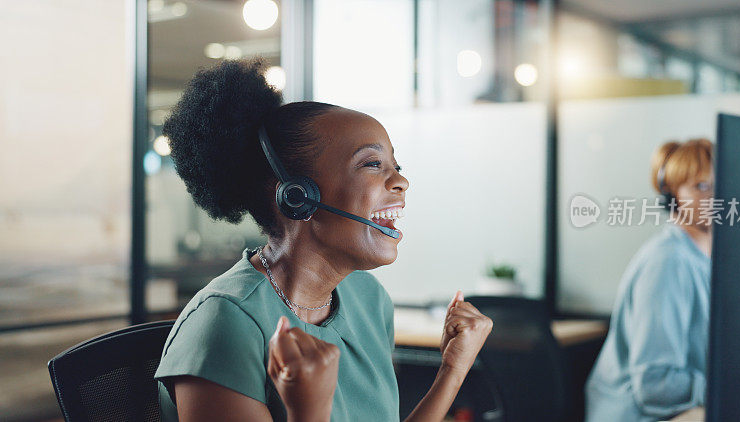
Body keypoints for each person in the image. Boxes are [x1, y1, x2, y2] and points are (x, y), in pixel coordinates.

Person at [153, 57, 493, 422]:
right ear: (296, 197)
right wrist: (308, 411)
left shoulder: (369, 299)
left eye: (397, 167)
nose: (400, 182)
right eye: (371, 164)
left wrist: (453, 369)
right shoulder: (224, 323)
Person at [585, 139, 714, 421]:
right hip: (634, 414)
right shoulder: (669, 261)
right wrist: (728, 388)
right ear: (673, 196)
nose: (715, 197)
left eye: (720, 184)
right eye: (701, 187)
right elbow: (655, 384)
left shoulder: (711, 261)